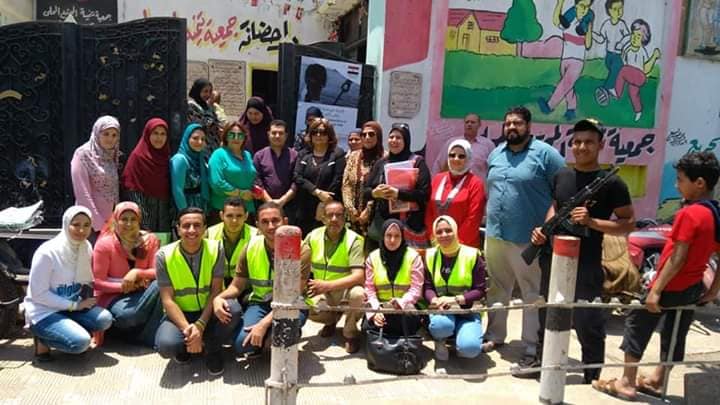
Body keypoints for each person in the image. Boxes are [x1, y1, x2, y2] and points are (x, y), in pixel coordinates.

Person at [593, 152, 720, 401]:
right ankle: (658, 380)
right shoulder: (716, 213)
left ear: (699, 183)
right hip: (692, 286)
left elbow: (677, 257)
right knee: (676, 332)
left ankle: (626, 382)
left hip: (670, 284)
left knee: (636, 325)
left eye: (680, 180)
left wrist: (656, 290)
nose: (677, 185)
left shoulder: (689, 214)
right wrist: (714, 289)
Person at [521, 119, 635, 382]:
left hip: (586, 263)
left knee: (587, 321)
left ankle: (591, 375)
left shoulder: (612, 183)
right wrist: (544, 229)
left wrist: (592, 222)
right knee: (548, 313)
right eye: (577, 142)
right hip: (554, 257)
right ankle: (542, 365)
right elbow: (556, 206)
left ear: (600, 145)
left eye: (589, 142)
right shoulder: (562, 175)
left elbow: (628, 223)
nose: (582, 147)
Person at [483, 107, 566, 362]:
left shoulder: (546, 155)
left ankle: (531, 345)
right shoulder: (496, 153)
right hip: (495, 234)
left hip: (528, 238)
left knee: (532, 292)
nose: (511, 127)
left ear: (529, 126)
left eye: (517, 123)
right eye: (507, 123)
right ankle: (494, 334)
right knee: (496, 288)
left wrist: (549, 226)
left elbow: (563, 192)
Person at [212, 202, 308, 357]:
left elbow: (292, 297)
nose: (271, 226)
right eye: (265, 222)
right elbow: (237, 286)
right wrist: (219, 298)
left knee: (280, 336)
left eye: (275, 220)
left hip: (292, 306)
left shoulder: (301, 249)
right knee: (241, 345)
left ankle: (285, 334)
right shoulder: (250, 247)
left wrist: (263, 324)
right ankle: (267, 339)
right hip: (260, 303)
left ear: (285, 222)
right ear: (257, 225)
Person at [154, 208, 236, 375]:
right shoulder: (163, 255)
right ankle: (186, 346)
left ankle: (212, 349)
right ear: (178, 229)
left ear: (205, 229)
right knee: (166, 345)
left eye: (197, 225)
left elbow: (216, 291)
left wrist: (200, 325)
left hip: (208, 312)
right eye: (186, 226)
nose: (192, 230)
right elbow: (167, 300)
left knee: (233, 310)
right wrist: (189, 330)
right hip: (180, 314)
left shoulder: (216, 249)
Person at [24, 206, 113, 361]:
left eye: (86, 225)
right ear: (66, 224)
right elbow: (38, 294)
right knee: (80, 343)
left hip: (71, 306)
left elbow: (87, 280)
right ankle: (41, 338)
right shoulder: (47, 253)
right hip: (44, 311)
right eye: (76, 224)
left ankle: (67, 329)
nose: (81, 230)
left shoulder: (85, 247)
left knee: (104, 319)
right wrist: (74, 306)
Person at [92, 202, 163, 347]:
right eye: (124, 219)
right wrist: (124, 286)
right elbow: (97, 282)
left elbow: (157, 271)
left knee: (161, 284)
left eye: (133, 219)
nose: (129, 224)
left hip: (142, 293)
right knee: (129, 316)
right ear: (116, 220)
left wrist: (137, 272)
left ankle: (148, 336)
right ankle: (137, 333)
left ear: (139, 221)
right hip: (112, 297)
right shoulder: (105, 244)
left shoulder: (149, 240)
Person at [302, 201, 365, 353]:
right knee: (304, 304)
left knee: (359, 294)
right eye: (330, 215)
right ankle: (331, 321)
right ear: (323, 218)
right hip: (321, 291)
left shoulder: (354, 240)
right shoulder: (313, 236)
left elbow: (359, 276)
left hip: (345, 291)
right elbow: (300, 262)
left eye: (339, 215)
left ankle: (350, 333)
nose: (334, 219)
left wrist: (327, 285)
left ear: (345, 218)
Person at [424, 216, 486, 360]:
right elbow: (427, 286)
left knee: (469, 349)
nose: (444, 235)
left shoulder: (472, 255)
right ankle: (440, 340)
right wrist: (434, 300)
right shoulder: (430, 255)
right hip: (442, 311)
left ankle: (462, 338)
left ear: (455, 231)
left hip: (468, 312)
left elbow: (480, 290)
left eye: (448, 230)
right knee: (440, 325)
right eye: (439, 232)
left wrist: (455, 300)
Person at [364, 123, 431, 250]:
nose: (394, 140)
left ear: (406, 140)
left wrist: (398, 193)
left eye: (398, 137)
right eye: (391, 137)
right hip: (382, 226)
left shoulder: (417, 162)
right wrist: (375, 193)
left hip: (409, 226)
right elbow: (365, 191)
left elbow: (424, 194)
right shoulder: (381, 163)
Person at [364, 219, 424, 336]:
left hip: (405, 306)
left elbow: (416, 289)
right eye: (389, 235)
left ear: (402, 237)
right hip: (381, 306)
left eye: (397, 236)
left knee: (409, 321)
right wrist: (376, 311)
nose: (392, 240)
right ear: (383, 236)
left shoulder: (413, 257)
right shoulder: (373, 257)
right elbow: (369, 289)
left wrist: (402, 302)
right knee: (368, 326)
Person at [538, 0, 595, 121]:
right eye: (582, 5)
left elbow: (588, 44)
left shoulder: (585, 24)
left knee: (565, 84)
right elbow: (556, 21)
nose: (584, 9)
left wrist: (589, 28)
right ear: (576, 5)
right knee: (568, 86)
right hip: (565, 59)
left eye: (587, 6)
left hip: (578, 61)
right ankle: (571, 109)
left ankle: (549, 106)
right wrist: (560, 3)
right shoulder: (569, 19)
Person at [425, 139, 486, 248]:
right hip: (437, 244)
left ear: (469, 158)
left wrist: (455, 244)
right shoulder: (437, 179)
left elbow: (473, 218)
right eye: (452, 155)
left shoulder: (476, 184)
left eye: (461, 156)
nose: (456, 159)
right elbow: (429, 211)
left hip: (464, 246)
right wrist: (434, 238)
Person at [293, 118, 346, 236]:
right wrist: (316, 191)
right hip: (304, 207)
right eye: (314, 132)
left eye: (323, 132)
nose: (318, 135)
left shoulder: (337, 154)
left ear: (329, 135)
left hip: (328, 206)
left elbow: (338, 179)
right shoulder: (304, 153)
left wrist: (324, 203)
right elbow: (297, 176)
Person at [71, 115, 121, 235]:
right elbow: (82, 193)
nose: (110, 139)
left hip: (111, 223)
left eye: (114, 135)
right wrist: (99, 224)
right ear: (97, 133)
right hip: (90, 223)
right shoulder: (83, 154)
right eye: (106, 134)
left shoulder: (112, 155)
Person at [121, 118, 172, 232]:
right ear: (148, 134)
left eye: (163, 134)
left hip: (163, 215)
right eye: (155, 133)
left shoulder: (165, 157)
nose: (159, 138)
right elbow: (132, 190)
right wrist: (144, 223)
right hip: (144, 212)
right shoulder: (138, 157)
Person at [208, 121, 257, 223]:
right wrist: (240, 193)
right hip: (225, 211)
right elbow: (217, 183)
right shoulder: (219, 154)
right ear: (226, 136)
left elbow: (249, 178)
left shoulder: (247, 155)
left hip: (247, 209)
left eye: (240, 135)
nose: (236, 138)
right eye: (232, 135)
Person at [614, 19, 661, 122]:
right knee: (633, 93)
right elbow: (624, 59)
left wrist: (654, 57)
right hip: (632, 76)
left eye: (638, 36)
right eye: (633, 35)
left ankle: (617, 92)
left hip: (640, 77)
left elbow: (646, 68)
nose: (635, 38)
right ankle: (638, 111)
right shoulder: (628, 48)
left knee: (623, 70)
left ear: (643, 39)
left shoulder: (642, 52)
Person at [342, 121, 385, 235]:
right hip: (352, 216)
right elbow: (346, 184)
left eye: (371, 134)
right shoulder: (354, 156)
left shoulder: (385, 158)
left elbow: (382, 189)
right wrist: (350, 209)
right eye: (364, 134)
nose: (367, 137)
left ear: (378, 136)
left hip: (375, 216)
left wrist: (368, 210)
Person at [254, 119, 299, 224]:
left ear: (286, 136)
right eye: (274, 133)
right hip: (264, 206)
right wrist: (269, 201)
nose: (277, 136)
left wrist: (282, 200)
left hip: (288, 206)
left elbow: (297, 182)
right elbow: (257, 181)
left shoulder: (295, 155)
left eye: (281, 133)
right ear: (268, 134)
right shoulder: (259, 156)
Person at [206, 197, 257, 286]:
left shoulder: (256, 236)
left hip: (245, 284)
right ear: (221, 216)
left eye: (239, 216)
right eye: (229, 216)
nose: (234, 221)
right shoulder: (208, 234)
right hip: (216, 283)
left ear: (246, 216)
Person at [431, 113, 495, 179]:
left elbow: (494, 169)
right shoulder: (452, 143)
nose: (469, 124)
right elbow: (439, 165)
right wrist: (435, 182)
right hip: (456, 184)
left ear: (479, 125)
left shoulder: (488, 145)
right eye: (467, 122)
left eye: (473, 122)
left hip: (478, 184)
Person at [592, 0, 630, 106]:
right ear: (609, 11)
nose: (618, 11)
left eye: (620, 8)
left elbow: (628, 37)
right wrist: (591, 34)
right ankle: (610, 90)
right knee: (614, 72)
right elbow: (601, 39)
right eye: (615, 9)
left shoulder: (622, 25)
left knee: (617, 69)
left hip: (618, 56)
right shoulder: (606, 24)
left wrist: (621, 43)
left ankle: (605, 90)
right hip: (609, 56)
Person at [170, 123, 209, 212]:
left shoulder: (200, 158)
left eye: (203, 139)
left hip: (199, 207)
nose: (200, 142)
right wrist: (186, 213)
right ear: (187, 139)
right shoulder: (180, 159)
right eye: (195, 138)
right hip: (185, 208)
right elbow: (177, 190)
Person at [187, 78, 221, 155]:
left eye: (210, 92)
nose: (208, 95)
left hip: (213, 147)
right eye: (205, 91)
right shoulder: (191, 107)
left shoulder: (209, 107)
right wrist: (211, 123)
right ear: (198, 91)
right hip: (200, 147)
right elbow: (197, 125)